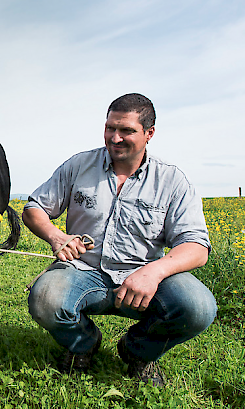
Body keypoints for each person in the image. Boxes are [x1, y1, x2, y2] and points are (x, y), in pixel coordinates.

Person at [23, 93, 217, 387]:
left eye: (126, 130)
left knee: (198, 307)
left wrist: (153, 272)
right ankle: (84, 344)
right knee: (45, 299)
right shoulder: (79, 165)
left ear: (149, 133)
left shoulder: (172, 180)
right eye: (109, 128)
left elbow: (197, 247)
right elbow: (34, 208)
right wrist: (56, 235)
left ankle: (138, 350)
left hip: (144, 280)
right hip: (83, 271)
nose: (115, 138)